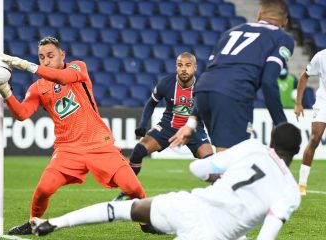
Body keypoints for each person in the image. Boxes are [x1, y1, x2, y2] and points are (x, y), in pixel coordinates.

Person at [0, 36, 146, 235]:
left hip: (99, 143)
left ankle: (147, 222)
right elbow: (22, 114)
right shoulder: (38, 88)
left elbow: (62, 78)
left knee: (132, 187)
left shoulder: (78, 68)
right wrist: (5, 91)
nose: (46, 60)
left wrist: (28, 66)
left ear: (63, 55)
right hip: (67, 149)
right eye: (41, 57)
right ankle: (33, 221)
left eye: (50, 56)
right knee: (43, 189)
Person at [30, 123, 302, 240]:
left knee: (127, 210)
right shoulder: (290, 193)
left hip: (189, 204)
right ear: (295, 153)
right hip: (212, 234)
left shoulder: (252, 148)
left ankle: (56, 222)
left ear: (272, 142)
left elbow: (198, 168)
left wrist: (215, 176)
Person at [169, 0, 293, 152]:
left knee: (227, 158)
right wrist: (281, 124)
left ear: (259, 14)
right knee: (231, 161)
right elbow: (268, 81)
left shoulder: (229, 33)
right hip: (234, 94)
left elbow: (213, 73)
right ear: (285, 22)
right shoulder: (282, 38)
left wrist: (192, 122)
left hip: (203, 91)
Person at [114, 52, 213, 201]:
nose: (184, 69)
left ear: (195, 67)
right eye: (180, 65)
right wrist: (142, 125)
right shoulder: (166, 83)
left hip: (194, 129)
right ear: (176, 67)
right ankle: (129, 191)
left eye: (188, 65)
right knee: (138, 151)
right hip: (168, 127)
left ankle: (217, 198)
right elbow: (151, 103)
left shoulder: (203, 87)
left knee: (211, 162)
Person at [294, 49, 326, 196]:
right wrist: (298, 103)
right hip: (323, 102)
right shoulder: (321, 56)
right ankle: (302, 184)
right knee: (315, 138)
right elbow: (304, 76)